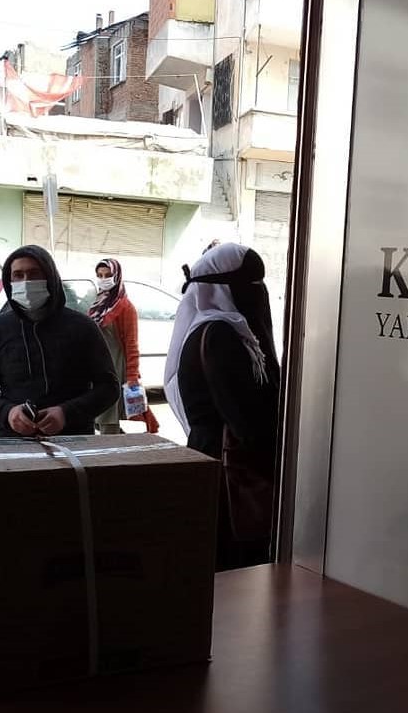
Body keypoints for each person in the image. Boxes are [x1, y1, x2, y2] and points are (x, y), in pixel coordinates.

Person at [164, 243, 281, 570]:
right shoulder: (219, 335)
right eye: (250, 284)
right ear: (221, 289)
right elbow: (246, 421)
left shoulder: (223, 330)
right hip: (228, 476)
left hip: (215, 465)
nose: (258, 292)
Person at [0, 245, 119, 438]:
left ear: (50, 276)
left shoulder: (82, 327)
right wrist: (7, 413)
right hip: (14, 443)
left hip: (74, 440)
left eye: (34, 274)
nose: (26, 282)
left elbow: (109, 388)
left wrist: (66, 413)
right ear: (9, 281)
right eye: (18, 275)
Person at [88, 259, 159, 435]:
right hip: (97, 367)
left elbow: (132, 345)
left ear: (117, 276)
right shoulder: (97, 305)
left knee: (108, 417)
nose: (103, 279)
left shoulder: (125, 307)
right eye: (99, 275)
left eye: (107, 275)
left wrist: (132, 376)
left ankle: (112, 448)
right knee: (97, 414)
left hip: (115, 368)